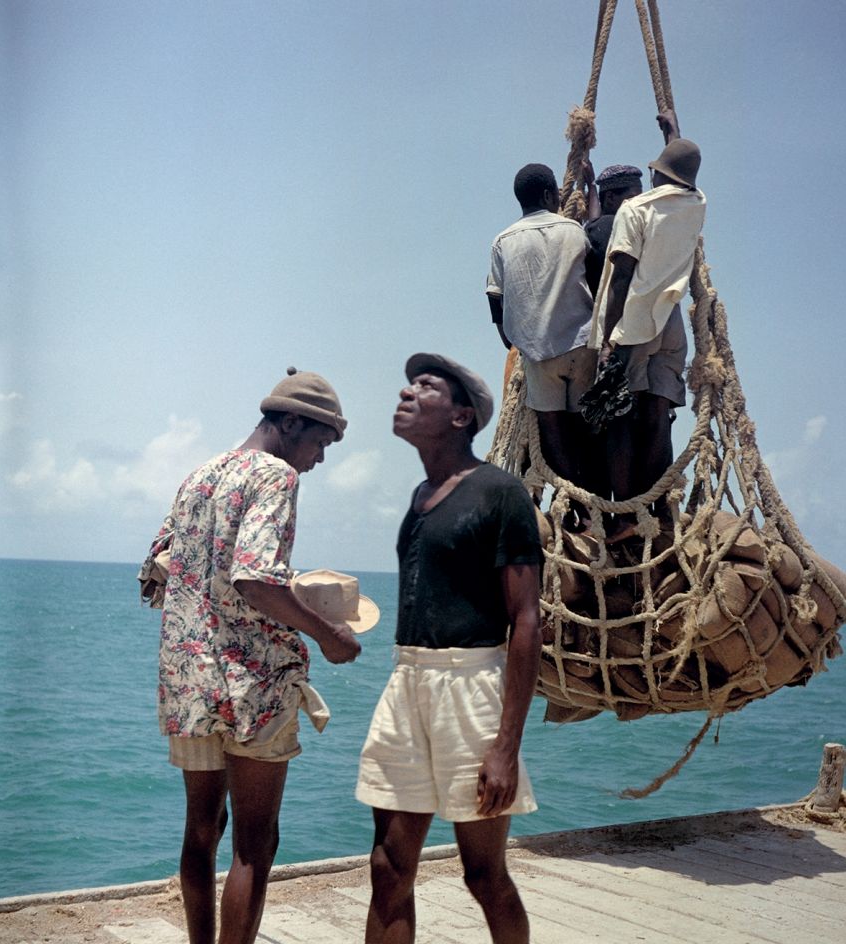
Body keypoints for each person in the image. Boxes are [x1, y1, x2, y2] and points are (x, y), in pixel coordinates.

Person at [138, 367, 362, 944]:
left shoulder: (198, 475)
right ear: (289, 422)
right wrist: (326, 634)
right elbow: (255, 581)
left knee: (202, 830)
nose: (318, 459)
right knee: (255, 843)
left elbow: (157, 569)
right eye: (319, 442)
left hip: (188, 678)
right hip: (253, 684)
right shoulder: (276, 477)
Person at [356, 353, 543, 944]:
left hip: (472, 686)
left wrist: (505, 748)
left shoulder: (501, 493)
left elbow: (527, 620)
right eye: (408, 383)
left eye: (426, 386)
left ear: (463, 415)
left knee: (483, 874)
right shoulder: (419, 497)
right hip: (407, 681)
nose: (408, 392)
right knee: (388, 867)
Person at [587, 111, 706, 542]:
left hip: (634, 326)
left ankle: (624, 517)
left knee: (618, 419)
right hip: (672, 325)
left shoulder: (635, 211)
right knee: (659, 415)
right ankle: (660, 509)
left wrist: (607, 340)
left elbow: (621, 278)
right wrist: (673, 134)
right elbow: (682, 178)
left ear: (657, 177)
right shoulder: (697, 204)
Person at [486, 164, 598, 500]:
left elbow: (495, 301)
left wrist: (512, 342)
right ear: (551, 195)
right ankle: (594, 506)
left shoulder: (502, 241)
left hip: (536, 353)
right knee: (585, 428)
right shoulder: (575, 232)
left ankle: (572, 503)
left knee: (552, 430)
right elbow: (595, 279)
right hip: (581, 344)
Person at [583, 162, 644, 296]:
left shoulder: (596, 229)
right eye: (633, 198)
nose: (639, 206)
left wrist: (592, 187)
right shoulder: (616, 227)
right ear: (610, 198)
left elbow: (597, 222)